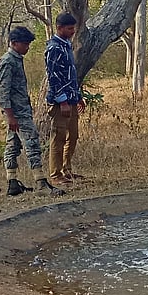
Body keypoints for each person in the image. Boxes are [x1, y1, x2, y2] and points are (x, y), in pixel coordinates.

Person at [0, 26, 64, 196]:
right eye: (25, 44)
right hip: (17, 113)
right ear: (14, 43)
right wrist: (11, 116)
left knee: (13, 145)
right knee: (32, 142)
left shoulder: (16, 59)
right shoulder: (7, 61)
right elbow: (2, 92)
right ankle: (40, 182)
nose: (27, 47)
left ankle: (12, 182)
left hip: (20, 111)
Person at [45, 12, 86, 185]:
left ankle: (67, 170)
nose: (72, 31)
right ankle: (56, 174)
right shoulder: (54, 48)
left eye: (73, 28)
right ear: (59, 28)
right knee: (59, 137)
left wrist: (77, 97)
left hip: (71, 98)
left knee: (73, 136)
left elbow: (70, 75)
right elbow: (54, 77)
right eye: (69, 28)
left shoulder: (66, 46)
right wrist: (62, 100)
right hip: (60, 101)